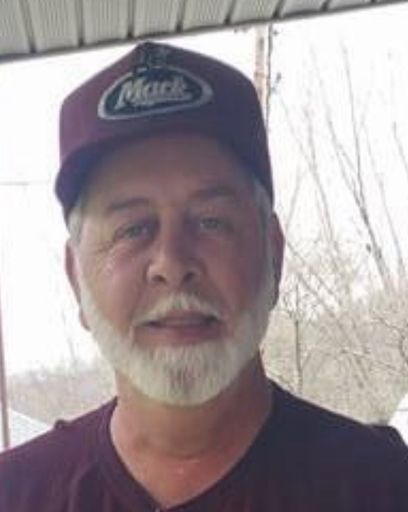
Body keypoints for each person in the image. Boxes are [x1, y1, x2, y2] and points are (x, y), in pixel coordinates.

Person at [1, 41, 407, 512]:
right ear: (76, 277)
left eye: (212, 221)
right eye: (132, 229)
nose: (172, 264)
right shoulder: (16, 495)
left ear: (274, 254)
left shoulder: (384, 486)